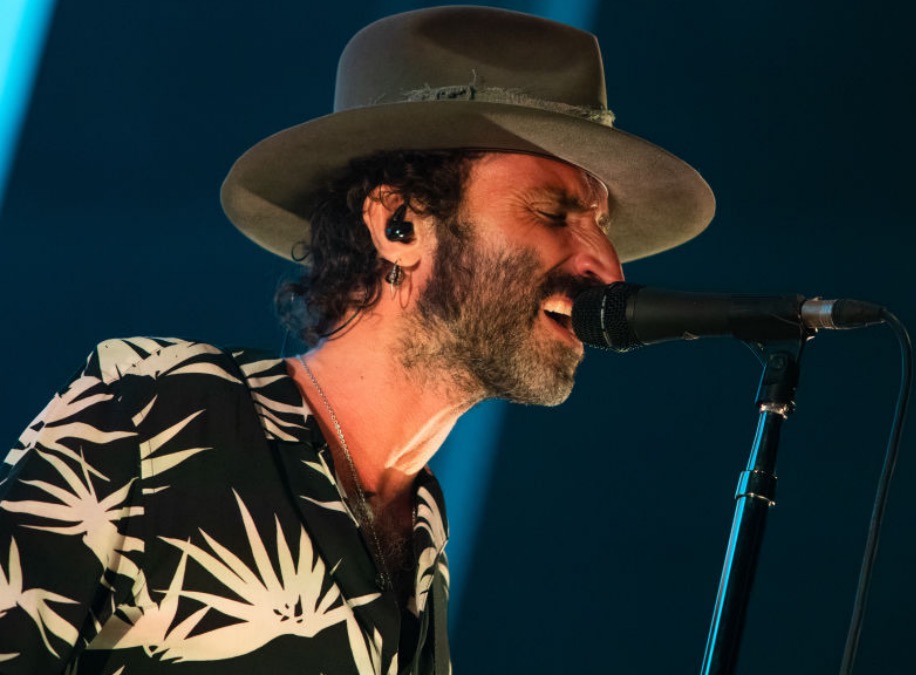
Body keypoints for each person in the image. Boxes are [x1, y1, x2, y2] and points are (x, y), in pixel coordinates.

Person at [0, 6, 713, 673]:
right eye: (554, 213)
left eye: (602, 226)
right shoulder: (154, 410)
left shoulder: (423, 538)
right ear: (400, 223)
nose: (609, 267)